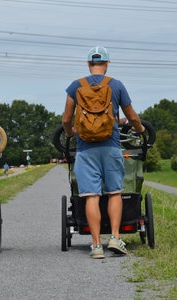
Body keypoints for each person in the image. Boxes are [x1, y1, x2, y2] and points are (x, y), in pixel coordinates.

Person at [62, 46, 145, 259]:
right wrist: (140, 129)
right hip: (111, 146)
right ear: (107, 63)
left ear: (89, 64)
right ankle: (115, 238)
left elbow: (66, 119)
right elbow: (132, 116)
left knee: (91, 195)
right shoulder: (116, 85)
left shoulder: (76, 86)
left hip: (85, 149)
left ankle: (96, 245)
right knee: (114, 192)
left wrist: (71, 132)